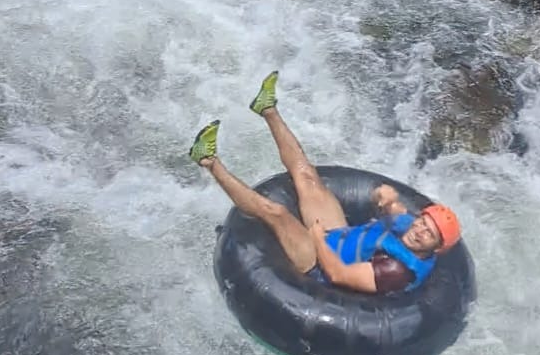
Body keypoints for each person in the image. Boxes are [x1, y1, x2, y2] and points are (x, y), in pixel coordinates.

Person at [189, 71, 461, 295]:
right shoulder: (411, 227)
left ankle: (208, 161)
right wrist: (386, 198)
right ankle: (267, 109)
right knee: (307, 177)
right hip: (337, 237)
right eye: (423, 222)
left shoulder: (396, 270)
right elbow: (395, 211)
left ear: (436, 248)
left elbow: (338, 274)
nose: (420, 229)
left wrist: (317, 239)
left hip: (318, 265)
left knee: (277, 212)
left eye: (429, 233)